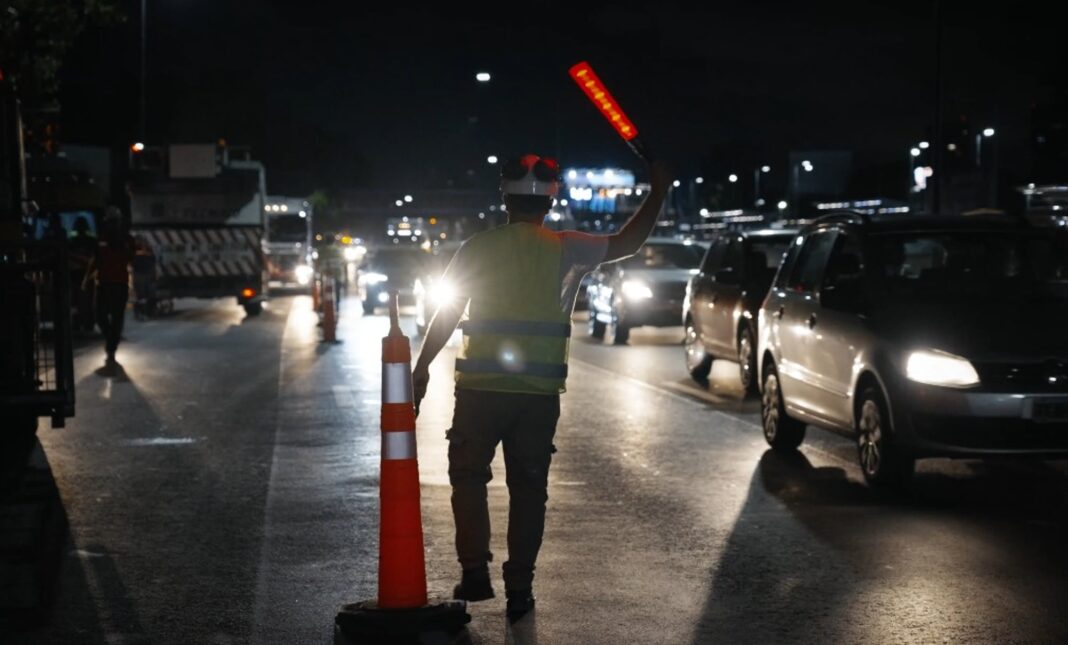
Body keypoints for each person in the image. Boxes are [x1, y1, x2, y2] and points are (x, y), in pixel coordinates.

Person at [412, 154, 671, 622]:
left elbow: (446, 314)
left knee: (469, 477)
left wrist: (422, 367)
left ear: (504, 198)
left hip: (480, 392)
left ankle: (474, 570)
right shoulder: (567, 248)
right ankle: (520, 591)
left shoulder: (477, 247)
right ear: (550, 202)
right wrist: (658, 191)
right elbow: (629, 242)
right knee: (528, 490)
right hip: (537, 398)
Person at [84, 207, 135, 367]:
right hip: (104, 284)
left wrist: (123, 246)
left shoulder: (127, 240)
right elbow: (95, 260)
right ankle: (111, 340)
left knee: (117, 318)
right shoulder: (101, 239)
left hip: (119, 284)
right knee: (99, 316)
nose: (112, 226)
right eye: (110, 223)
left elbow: (132, 259)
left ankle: (111, 348)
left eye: (114, 222)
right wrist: (86, 278)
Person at [69, 215, 98, 332]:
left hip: (79, 276)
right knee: (84, 302)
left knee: (78, 302)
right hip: (84, 276)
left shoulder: (72, 241)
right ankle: (86, 324)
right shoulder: (91, 241)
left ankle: (80, 324)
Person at [131, 235, 157, 319]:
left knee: (145, 296)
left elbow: (153, 261)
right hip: (141, 274)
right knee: (141, 296)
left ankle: (144, 312)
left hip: (145, 274)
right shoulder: (138, 252)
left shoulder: (147, 252)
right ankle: (141, 312)